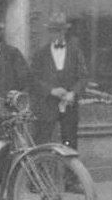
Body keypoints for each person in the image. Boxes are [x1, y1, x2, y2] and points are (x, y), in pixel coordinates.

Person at [30, 13, 89, 149]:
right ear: (49, 32)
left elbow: (83, 77)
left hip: (69, 108)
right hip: (46, 107)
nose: (57, 34)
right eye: (53, 31)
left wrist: (73, 93)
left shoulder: (75, 52)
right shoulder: (40, 53)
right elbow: (32, 79)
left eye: (60, 30)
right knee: (43, 144)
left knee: (70, 144)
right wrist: (51, 90)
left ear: (65, 31)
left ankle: (69, 171)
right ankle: (43, 170)